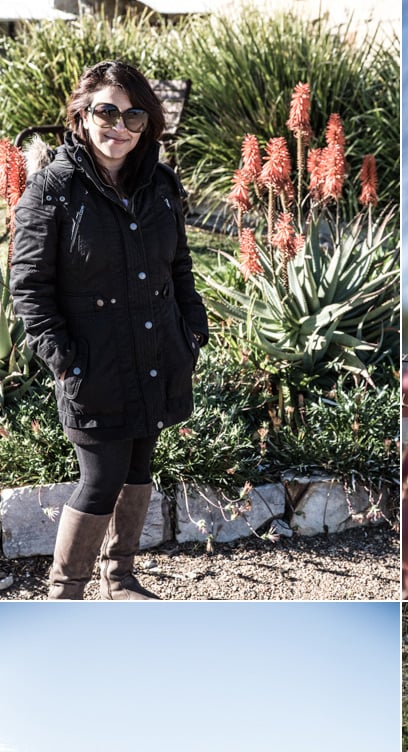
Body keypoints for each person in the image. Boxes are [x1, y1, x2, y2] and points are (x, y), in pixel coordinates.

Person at [10, 60, 209, 600]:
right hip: (95, 364)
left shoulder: (161, 184)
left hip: (158, 351)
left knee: (140, 467)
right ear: (82, 114)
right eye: (107, 111)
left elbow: (180, 267)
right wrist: (65, 359)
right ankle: (65, 592)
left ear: (147, 125)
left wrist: (193, 331)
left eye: (134, 115)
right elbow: (29, 287)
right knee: (101, 479)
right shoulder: (52, 189)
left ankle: (120, 577)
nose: (119, 125)